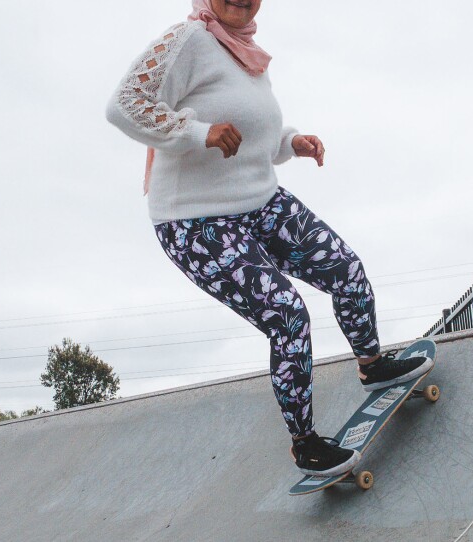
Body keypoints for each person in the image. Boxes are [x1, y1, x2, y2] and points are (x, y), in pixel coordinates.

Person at [106, 0, 433, 477]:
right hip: (196, 220)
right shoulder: (189, 39)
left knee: (345, 269)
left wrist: (291, 143)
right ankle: (306, 444)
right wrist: (198, 132)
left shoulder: (246, 51)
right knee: (286, 313)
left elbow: (254, 127)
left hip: (260, 201)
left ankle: (372, 363)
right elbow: (124, 105)